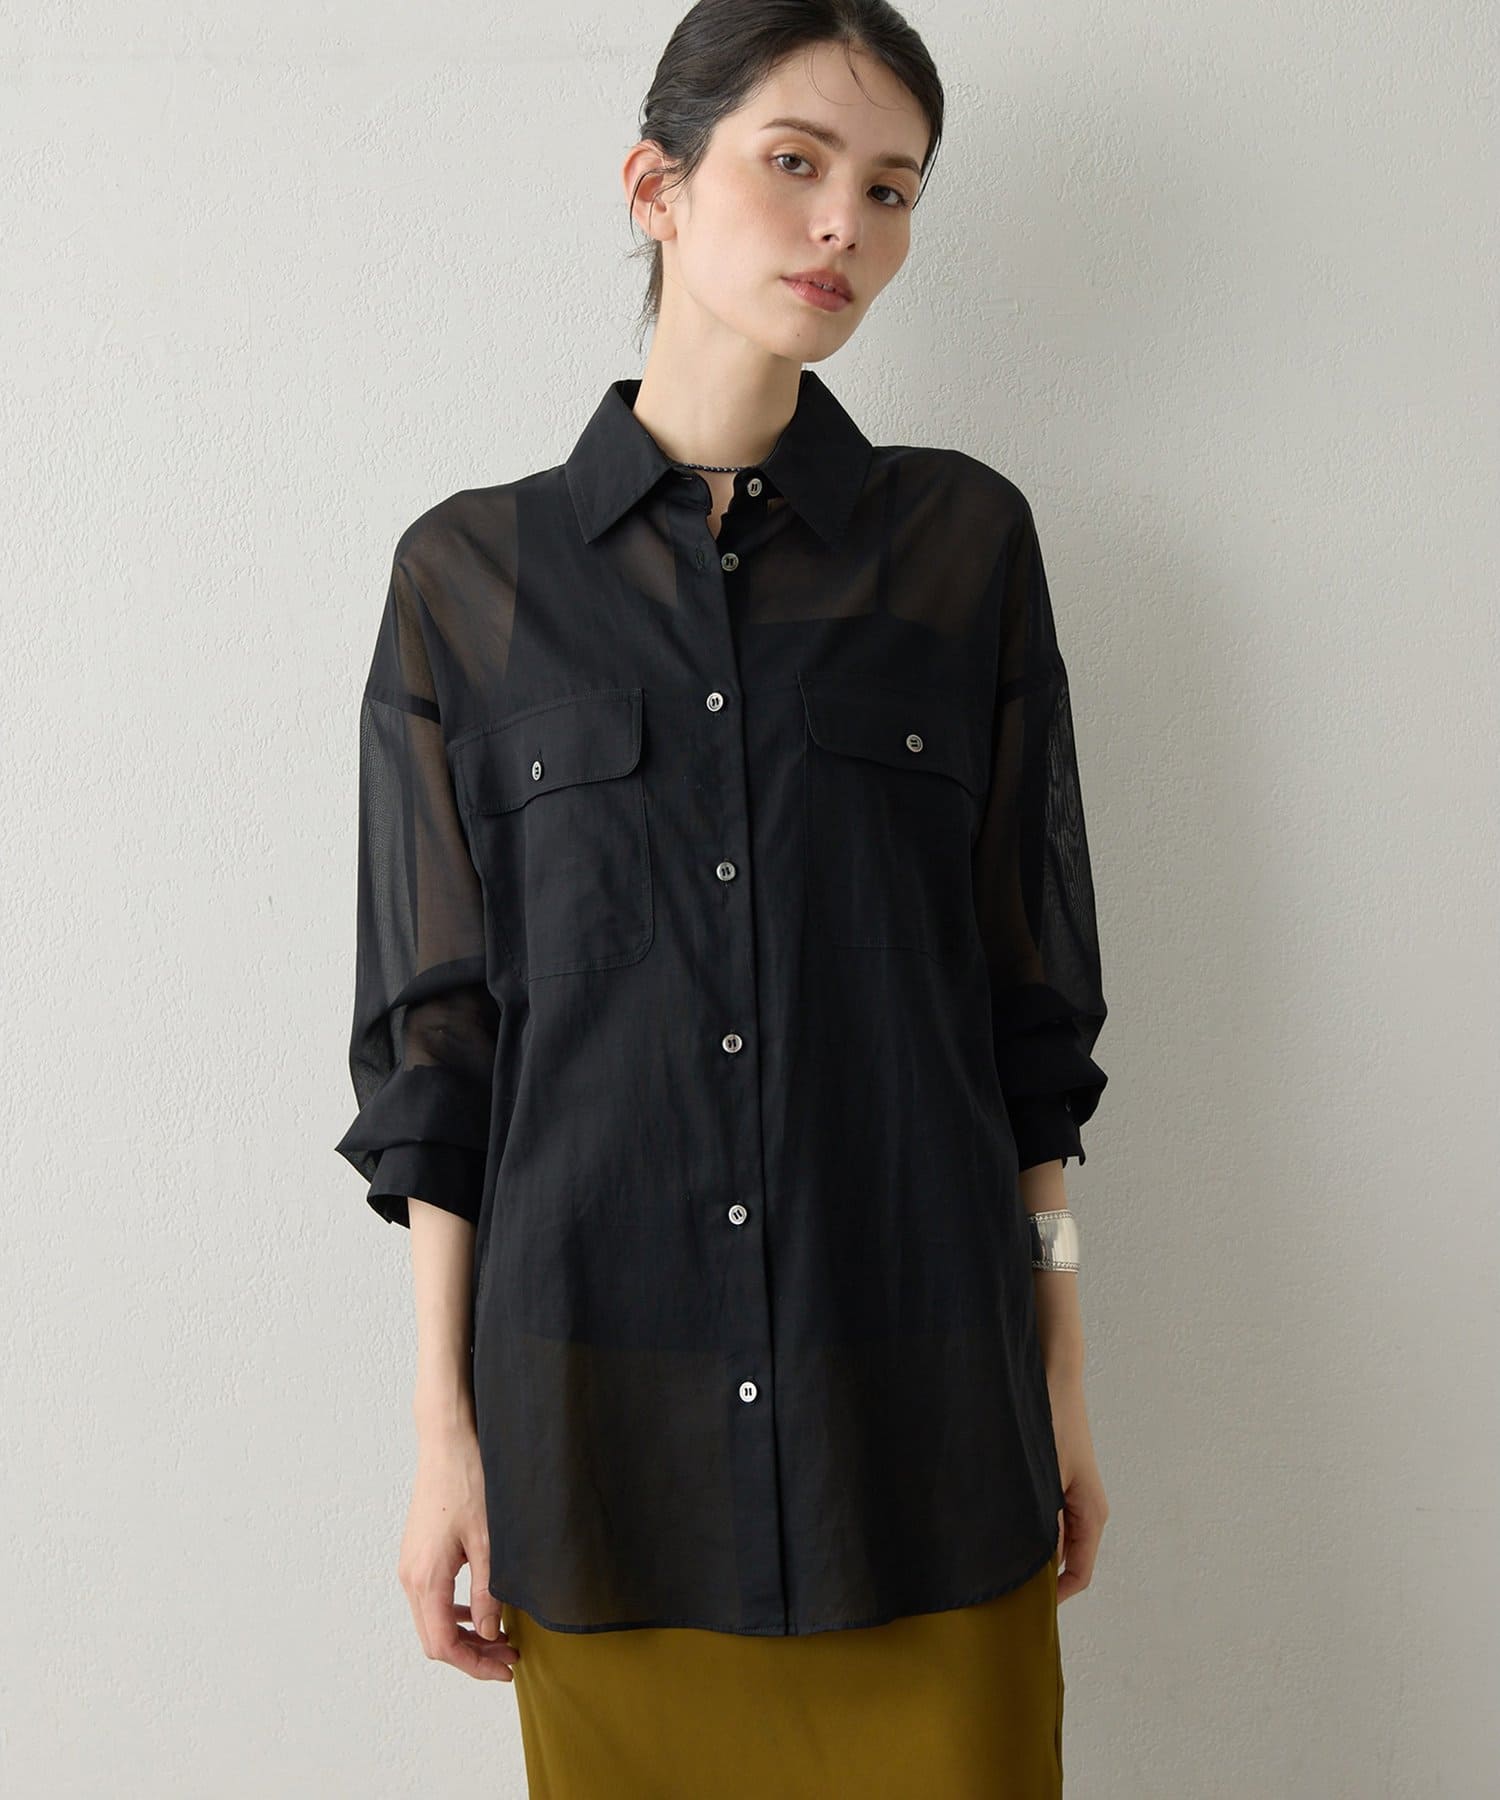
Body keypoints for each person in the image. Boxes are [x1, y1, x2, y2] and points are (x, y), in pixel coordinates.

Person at [334, 3, 1111, 1794]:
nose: (848, 222)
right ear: (656, 185)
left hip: (925, 1434)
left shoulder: (961, 549)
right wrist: (445, 1438)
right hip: (600, 1460)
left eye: (892, 188)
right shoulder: (471, 582)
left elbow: (1029, 1021)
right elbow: (441, 1061)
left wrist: (1061, 1375)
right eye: (796, 162)